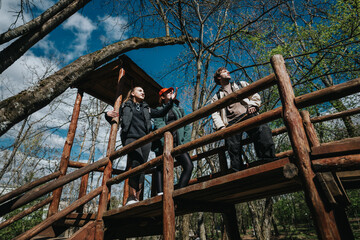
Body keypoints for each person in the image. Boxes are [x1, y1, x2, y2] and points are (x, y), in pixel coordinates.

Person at [106, 86, 177, 205]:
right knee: (135, 164)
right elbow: (115, 116)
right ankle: (131, 196)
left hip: (145, 140)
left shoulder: (146, 108)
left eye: (144, 91)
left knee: (142, 168)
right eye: (140, 90)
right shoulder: (125, 106)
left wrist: (171, 102)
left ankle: (137, 198)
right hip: (130, 138)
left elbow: (160, 112)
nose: (143, 92)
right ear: (132, 93)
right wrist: (106, 114)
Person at [211, 67, 277, 171]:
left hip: (247, 114)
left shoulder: (241, 84)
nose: (228, 71)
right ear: (219, 77)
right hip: (231, 122)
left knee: (262, 129)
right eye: (224, 71)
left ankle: (268, 159)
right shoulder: (217, 96)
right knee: (232, 145)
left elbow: (254, 94)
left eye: (227, 70)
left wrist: (253, 105)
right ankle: (237, 170)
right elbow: (215, 113)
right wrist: (221, 127)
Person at [152, 87, 193, 195]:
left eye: (171, 91)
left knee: (189, 166)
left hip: (179, 143)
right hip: (164, 143)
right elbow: (159, 126)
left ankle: (179, 191)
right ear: (162, 96)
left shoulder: (179, 110)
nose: (171, 92)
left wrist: (185, 143)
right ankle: (160, 192)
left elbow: (186, 127)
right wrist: (164, 142)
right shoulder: (158, 110)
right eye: (167, 92)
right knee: (160, 167)